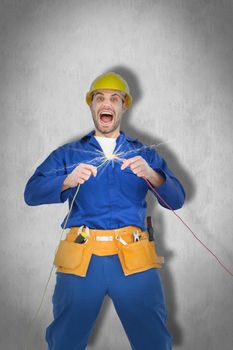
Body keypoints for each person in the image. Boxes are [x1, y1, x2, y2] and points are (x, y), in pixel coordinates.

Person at [24, 72, 185, 350]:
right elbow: (31, 193)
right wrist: (66, 180)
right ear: (91, 106)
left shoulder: (144, 154)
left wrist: (153, 175)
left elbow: (176, 200)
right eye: (99, 98)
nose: (106, 103)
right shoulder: (69, 154)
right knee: (64, 342)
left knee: (154, 342)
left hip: (134, 259)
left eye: (114, 98)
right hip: (81, 260)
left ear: (124, 106)